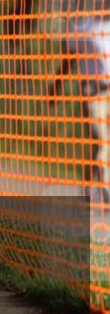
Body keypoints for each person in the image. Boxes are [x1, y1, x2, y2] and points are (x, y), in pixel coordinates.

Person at [48, 14, 110, 203]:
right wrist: (55, 88)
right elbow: (68, 60)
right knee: (102, 143)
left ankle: (87, 189)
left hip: (107, 90)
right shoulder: (83, 27)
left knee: (99, 146)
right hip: (93, 93)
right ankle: (106, 194)